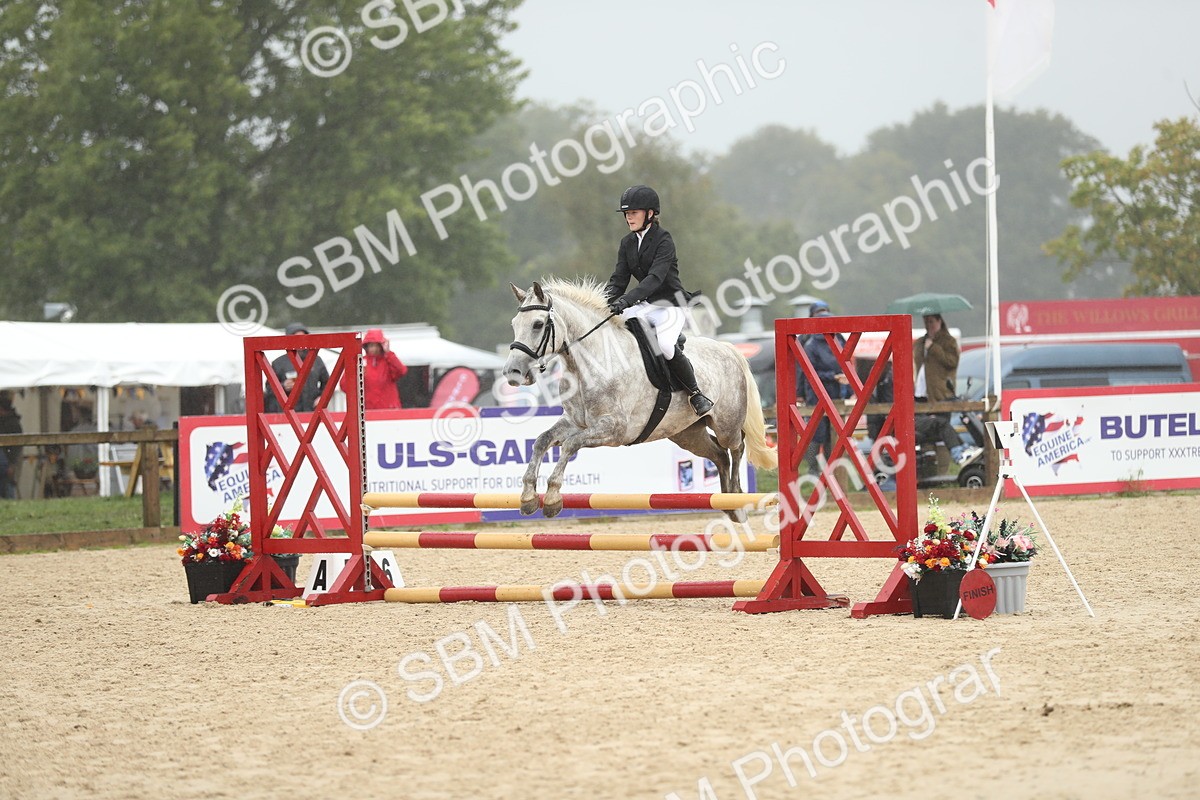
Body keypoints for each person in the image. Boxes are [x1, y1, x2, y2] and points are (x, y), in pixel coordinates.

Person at [604, 185, 714, 416]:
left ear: (650, 214)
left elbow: (655, 278)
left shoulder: (664, 240)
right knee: (613, 331)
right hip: (644, 305)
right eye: (626, 213)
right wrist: (603, 303)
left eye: (634, 213)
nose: (629, 217)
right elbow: (619, 279)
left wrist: (626, 301)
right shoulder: (627, 243)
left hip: (670, 305)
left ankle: (696, 393)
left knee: (664, 345)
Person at [913, 313, 979, 465]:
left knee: (940, 426)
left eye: (931, 322)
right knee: (933, 429)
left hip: (940, 394)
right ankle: (953, 453)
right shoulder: (920, 342)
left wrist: (934, 348)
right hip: (921, 394)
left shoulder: (948, 341)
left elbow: (952, 362)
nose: (928, 325)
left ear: (939, 321)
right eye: (926, 322)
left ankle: (956, 453)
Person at [799, 301, 849, 473]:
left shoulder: (838, 339)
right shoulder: (808, 342)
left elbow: (847, 364)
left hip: (833, 393)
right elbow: (806, 371)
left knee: (830, 432)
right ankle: (814, 469)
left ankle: (830, 469)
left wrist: (846, 385)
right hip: (817, 393)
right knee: (816, 432)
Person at [264, 322, 329, 413]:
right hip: (289, 413)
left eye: (303, 338)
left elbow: (328, 383)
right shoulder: (278, 363)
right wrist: (283, 386)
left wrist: (322, 398)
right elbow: (269, 388)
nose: (300, 341)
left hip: (313, 411)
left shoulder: (316, 360)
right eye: (296, 338)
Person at [339, 328, 408, 410]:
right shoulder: (359, 362)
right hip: (367, 411)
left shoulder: (389, 360)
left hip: (389, 410)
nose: (374, 349)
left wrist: (389, 353)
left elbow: (401, 371)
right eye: (371, 345)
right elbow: (344, 385)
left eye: (377, 345)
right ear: (366, 346)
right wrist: (356, 376)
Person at [0, 392, 19, 498]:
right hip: (5, 460)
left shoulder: (12, 423)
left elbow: (16, 447)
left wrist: (12, 464)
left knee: (7, 485)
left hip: (6, 461)